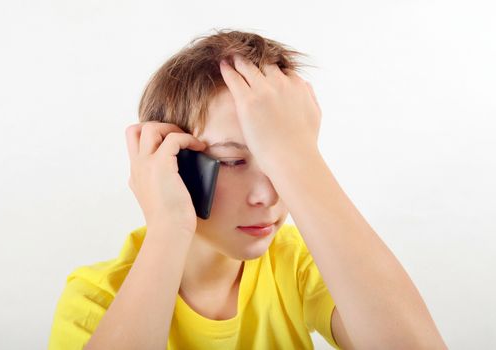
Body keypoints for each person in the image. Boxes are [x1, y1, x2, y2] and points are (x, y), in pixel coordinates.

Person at [48, 29, 447, 349]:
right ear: (173, 162)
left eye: (281, 165)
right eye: (232, 161)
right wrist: (168, 227)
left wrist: (298, 157)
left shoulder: (297, 264)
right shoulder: (95, 300)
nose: (269, 196)